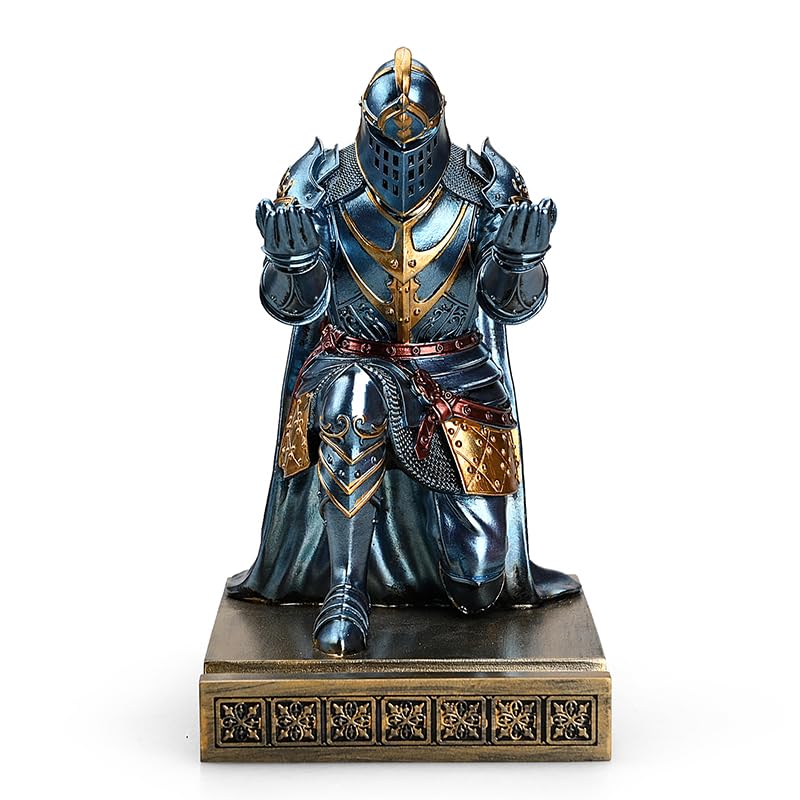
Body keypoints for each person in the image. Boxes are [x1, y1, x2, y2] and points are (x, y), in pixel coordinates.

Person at [227, 47, 580, 657]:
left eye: (416, 135)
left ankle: (468, 574)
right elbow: (296, 306)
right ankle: (345, 590)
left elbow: (507, 304)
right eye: (389, 135)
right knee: (350, 396)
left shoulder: (482, 187)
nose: (403, 151)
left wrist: (519, 259)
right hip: (353, 360)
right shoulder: (323, 186)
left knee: (478, 588)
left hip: (457, 378)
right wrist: (294, 260)